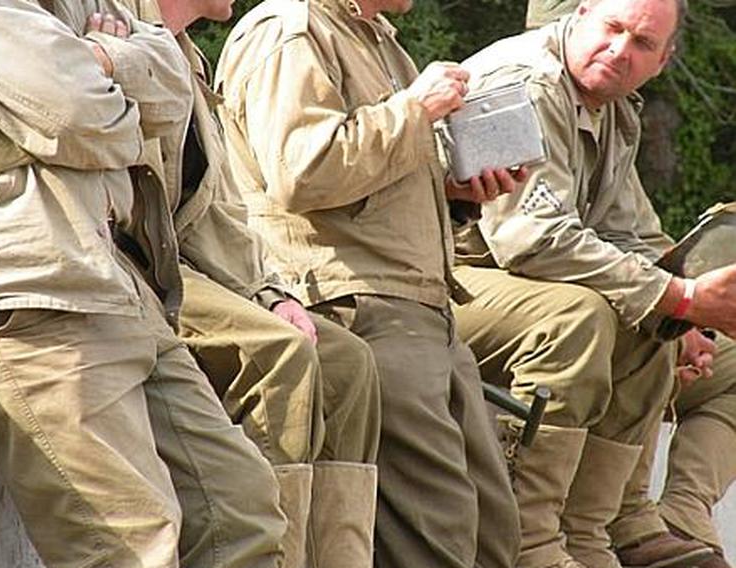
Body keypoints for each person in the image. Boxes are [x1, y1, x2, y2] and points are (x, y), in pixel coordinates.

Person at [0, 2, 286, 567]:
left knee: (239, 506)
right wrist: (109, 76)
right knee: (127, 546)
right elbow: (78, 114)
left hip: (111, 274)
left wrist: (96, 68)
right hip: (19, 284)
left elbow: (169, 94)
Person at [214, 1, 526, 567]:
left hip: (422, 306)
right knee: (436, 533)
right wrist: (415, 109)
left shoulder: (375, 37)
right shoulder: (291, 32)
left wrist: (456, 196)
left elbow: (371, 181)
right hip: (353, 304)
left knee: (490, 529)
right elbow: (301, 170)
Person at [451, 1, 736, 567]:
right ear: (580, 15)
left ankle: (603, 530)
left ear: (663, 59)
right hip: (448, 281)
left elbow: (629, 233)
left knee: (657, 322)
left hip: (516, 285)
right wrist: (673, 298)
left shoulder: (609, 106)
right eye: (612, 28)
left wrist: (684, 312)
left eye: (641, 43)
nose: (619, 51)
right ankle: (527, 541)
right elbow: (530, 239)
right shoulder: (522, 83)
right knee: (587, 315)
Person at [122, 1, 382, 567]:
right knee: (277, 353)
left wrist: (271, 292)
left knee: (348, 364)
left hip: (188, 267)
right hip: (131, 269)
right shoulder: (127, 34)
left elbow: (219, 210)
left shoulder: (186, 53)